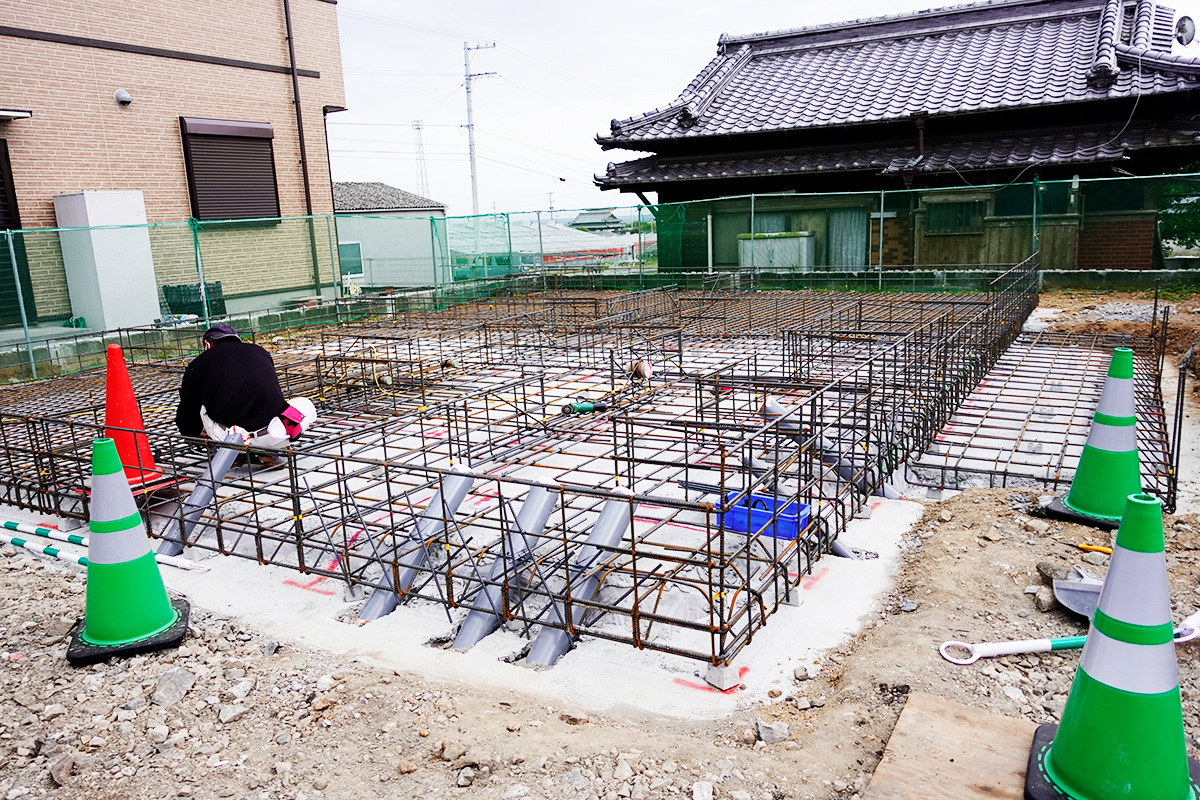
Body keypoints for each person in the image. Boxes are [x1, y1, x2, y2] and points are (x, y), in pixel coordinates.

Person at [175, 324, 316, 461]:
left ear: (207, 344)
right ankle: (269, 450)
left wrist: (192, 433)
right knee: (305, 404)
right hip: (274, 435)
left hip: (231, 439)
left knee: (199, 401)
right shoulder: (260, 352)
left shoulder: (198, 364)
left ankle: (233, 452)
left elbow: (188, 410)